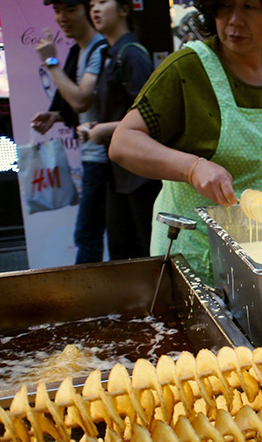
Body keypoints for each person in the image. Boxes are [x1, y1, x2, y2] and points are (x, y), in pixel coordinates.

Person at [109, 0, 262, 283]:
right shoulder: (186, 69)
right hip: (196, 259)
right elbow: (123, 142)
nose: (234, 20)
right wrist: (192, 167)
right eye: (225, 6)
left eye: (249, 7)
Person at [77, 0, 160, 261]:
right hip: (118, 171)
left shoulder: (132, 53)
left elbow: (151, 115)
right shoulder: (109, 52)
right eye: (92, 4)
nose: (95, 10)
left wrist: (104, 129)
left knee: (144, 249)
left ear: (124, 9)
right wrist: (97, 126)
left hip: (138, 173)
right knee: (120, 249)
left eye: (103, 2)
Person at [31, 0, 108, 264]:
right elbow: (76, 104)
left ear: (89, 10)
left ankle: (88, 301)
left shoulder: (99, 48)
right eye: (57, 10)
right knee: (93, 234)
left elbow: (80, 100)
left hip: (104, 157)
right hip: (95, 156)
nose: (62, 17)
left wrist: (51, 62)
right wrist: (54, 116)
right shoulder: (80, 50)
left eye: (70, 9)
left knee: (88, 235)